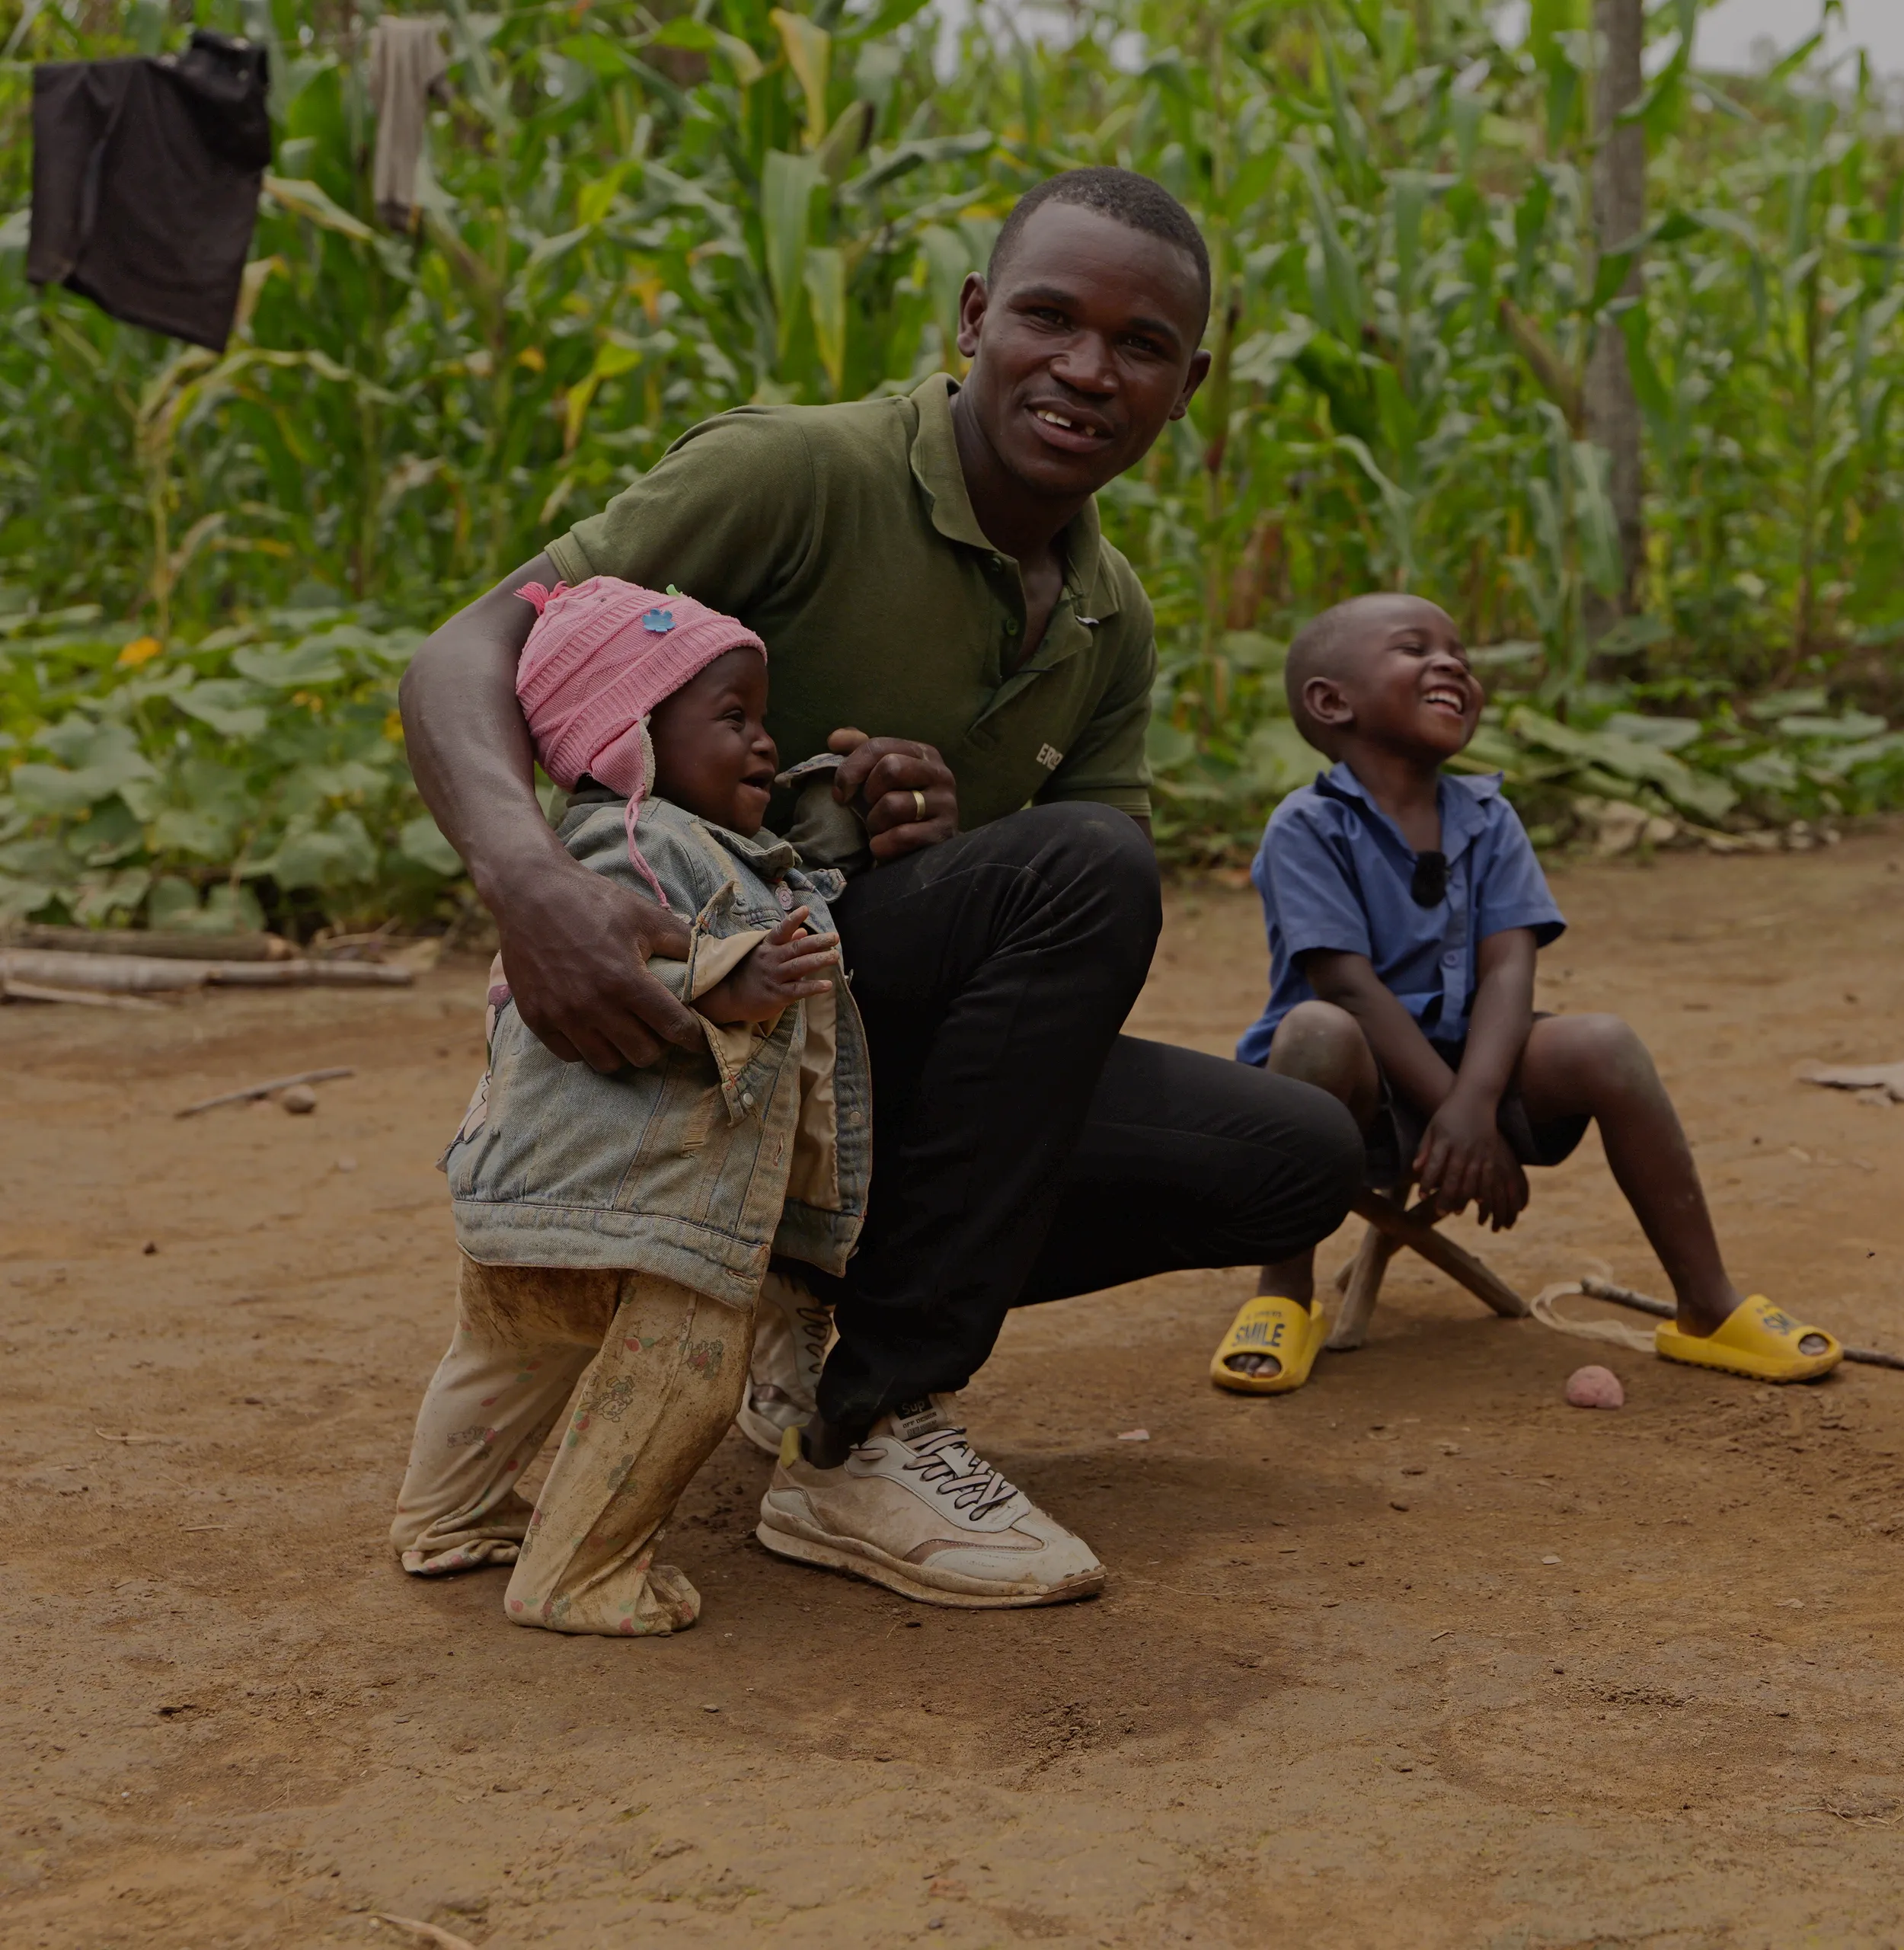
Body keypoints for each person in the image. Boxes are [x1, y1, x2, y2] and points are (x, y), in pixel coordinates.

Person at [399, 168, 1361, 1611]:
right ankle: (869, 1433)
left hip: (846, 1041)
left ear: (1189, 387)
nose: (1087, 368)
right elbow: (465, 649)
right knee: (1084, 866)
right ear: (976, 318)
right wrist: (530, 885)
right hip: (690, 1026)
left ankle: (807, 1308)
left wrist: (942, 837)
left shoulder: (1109, 618)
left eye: (1142, 346)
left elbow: (1064, 938)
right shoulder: (798, 474)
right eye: (1049, 317)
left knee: (1298, 1158)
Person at [1209, 592, 1842, 1395]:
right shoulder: (1306, 826)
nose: (1452, 663)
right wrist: (1461, 1115)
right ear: (1333, 702)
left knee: (1605, 1044)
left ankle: (1707, 1306)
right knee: (1315, 1029)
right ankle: (1282, 1294)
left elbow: (1511, 970)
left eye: (1460, 654)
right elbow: (1351, 988)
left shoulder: (1490, 817)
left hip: (1481, 1073)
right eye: (1414, 648)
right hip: (1350, 1104)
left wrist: (1476, 1105)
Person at [391, 577, 861, 1635]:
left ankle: (447, 1514)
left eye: (763, 719)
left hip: (534, 1191)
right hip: (651, 1210)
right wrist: (727, 976)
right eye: (733, 717)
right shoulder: (639, 842)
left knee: (508, 1362)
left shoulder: (589, 852)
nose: (764, 743)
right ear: (627, 737)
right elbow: (629, 966)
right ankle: (580, 1575)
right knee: (681, 1380)